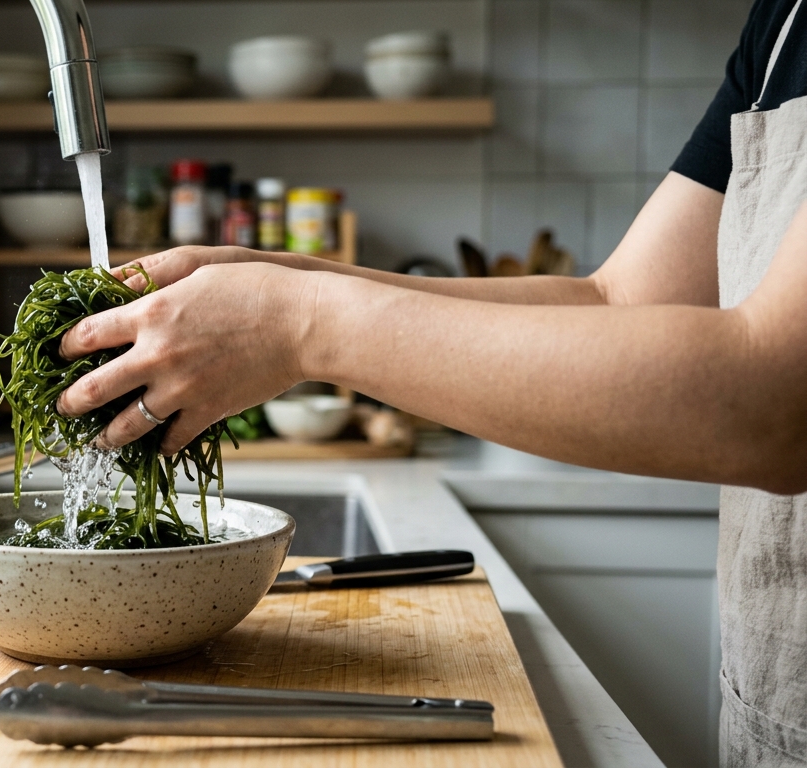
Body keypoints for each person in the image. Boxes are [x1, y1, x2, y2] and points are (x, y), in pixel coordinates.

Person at [54, 0, 807, 764]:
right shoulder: (779, 27)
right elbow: (617, 301)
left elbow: (779, 398)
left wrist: (298, 322)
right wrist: (266, 277)